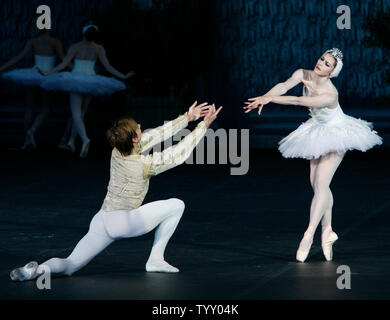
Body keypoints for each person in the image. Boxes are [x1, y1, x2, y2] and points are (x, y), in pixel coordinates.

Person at [10, 102, 223, 281]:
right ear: (133, 139)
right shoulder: (142, 164)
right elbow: (178, 154)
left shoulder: (117, 151)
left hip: (102, 219)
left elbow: (154, 135)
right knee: (177, 205)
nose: (140, 126)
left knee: (70, 264)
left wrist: (187, 117)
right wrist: (203, 126)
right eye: (137, 127)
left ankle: (36, 271)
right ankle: (155, 258)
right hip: (124, 221)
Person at [243, 48, 382, 262]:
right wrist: (266, 96)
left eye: (327, 64)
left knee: (321, 183)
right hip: (317, 129)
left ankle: (308, 234)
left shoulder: (330, 94)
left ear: (332, 72)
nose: (321, 64)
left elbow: (299, 102)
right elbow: (284, 85)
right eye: (322, 59)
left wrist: (269, 100)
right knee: (318, 186)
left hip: (337, 133)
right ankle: (328, 231)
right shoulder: (303, 73)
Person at [39, 22, 134, 158]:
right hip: (90, 80)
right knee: (81, 114)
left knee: (76, 113)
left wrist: (47, 73)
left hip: (76, 79)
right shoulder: (98, 48)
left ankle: (84, 139)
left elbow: (64, 63)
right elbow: (107, 66)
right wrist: (123, 76)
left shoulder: (75, 47)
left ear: (84, 33)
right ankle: (71, 141)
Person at [0, 29, 65, 149]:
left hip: (33, 74)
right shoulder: (55, 42)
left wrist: (3, 68)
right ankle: (32, 130)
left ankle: (26, 139)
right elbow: (64, 60)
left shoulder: (33, 41)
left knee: (30, 106)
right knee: (47, 107)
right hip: (48, 75)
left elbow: (18, 57)